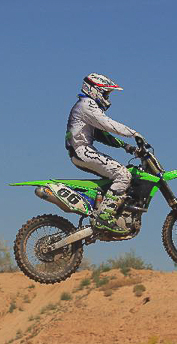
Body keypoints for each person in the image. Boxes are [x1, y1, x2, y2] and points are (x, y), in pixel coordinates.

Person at [65, 73, 145, 234]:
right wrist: (134, 133)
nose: (107, 97)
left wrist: (126, 146)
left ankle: (106, 209)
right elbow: (107, 124)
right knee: (123, 175)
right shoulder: (87, 105)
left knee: (118, 175)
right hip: (82, 151)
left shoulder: (86, 106)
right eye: (106, 93)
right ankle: (103, 217)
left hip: (82, 151)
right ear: (95, 90)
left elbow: (101, 134)